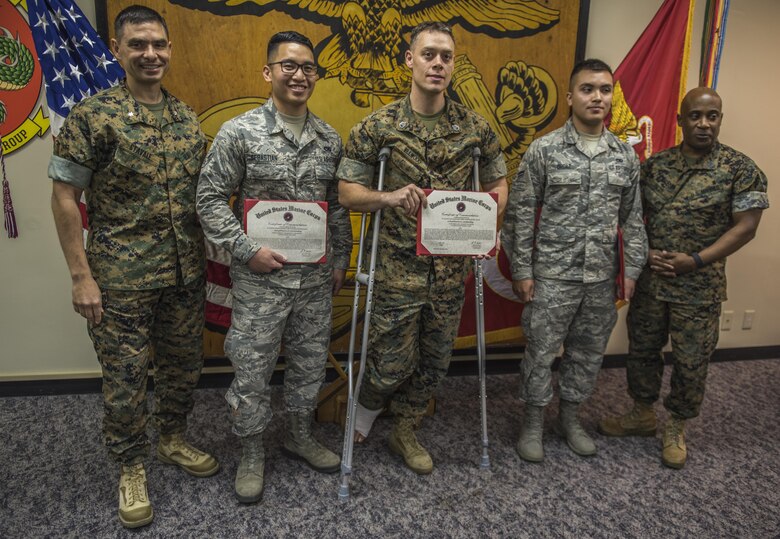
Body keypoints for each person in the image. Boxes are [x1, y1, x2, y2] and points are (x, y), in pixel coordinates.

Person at [49, 5, 218, 529]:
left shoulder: (186, 118)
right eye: (138, 45)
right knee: (124, 381)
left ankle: (171, 439)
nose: (151, 54)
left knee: (183, 368)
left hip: (184, 275)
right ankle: (130, 465)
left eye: (159, 44)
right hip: (120, 279)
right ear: (117, 49)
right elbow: (63, 198)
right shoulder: (93, 117)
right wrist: (81, 276)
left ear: (169, 49)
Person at [337, 21, 508, 475]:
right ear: (409, 60)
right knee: (390, 363)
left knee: (434, 362)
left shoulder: (474, 129)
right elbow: (348, 192)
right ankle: (367, 408)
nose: (438, 63)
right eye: (428, 54)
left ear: (454, 65)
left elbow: (496, 183)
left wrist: (484, 226)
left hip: (450, 271)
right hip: (395, 268)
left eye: (446, 56)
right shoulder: (378, 126)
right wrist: (389, 197)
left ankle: (405, 428)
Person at [196, 31, 351, 503]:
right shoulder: (240, 132)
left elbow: (337, 206)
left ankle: (299, 435)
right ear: (269, 72)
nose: (300, 74)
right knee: (252, 370)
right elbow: (207, 199)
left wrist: (341, 257)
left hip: (314, 280)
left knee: (307, 366)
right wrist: (246, 250)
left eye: (308, 67)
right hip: (261, 279)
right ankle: (251, 451)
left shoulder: (328, 138)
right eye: (289, 65)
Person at [598, 87, 768, 469]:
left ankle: (676, 425)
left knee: (691, 361)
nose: (704, 124)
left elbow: (746, 227)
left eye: (713, 116)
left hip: (698, 288)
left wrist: (696, 260)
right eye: (695, 116)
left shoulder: (740, 169)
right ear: (680, 120)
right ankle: (641, 413)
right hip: (653, 282)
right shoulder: (655, 166)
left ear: (720, 119)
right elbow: (630, 217)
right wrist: (643, 254)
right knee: (642, 350)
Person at [501, 58, 647, 463]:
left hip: (602, 278)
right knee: (541, 351)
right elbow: (519, 216)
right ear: (570, 97)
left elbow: (632, 220)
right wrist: (523, 271)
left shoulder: (624, 156)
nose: (596, 96)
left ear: (612, 96)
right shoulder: (544, 150)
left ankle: (570, 418)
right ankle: (532, 422)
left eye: (604, 89)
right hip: (552, 276)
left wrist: (631, 271)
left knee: (587, 353)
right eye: (587, 89)